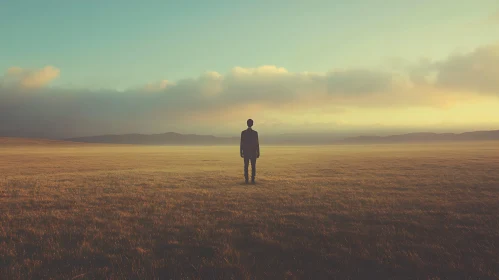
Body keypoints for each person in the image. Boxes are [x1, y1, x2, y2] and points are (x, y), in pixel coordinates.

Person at [240, 119, 260, 184]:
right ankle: (253, 179)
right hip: (253, 152)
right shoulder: (255, 133)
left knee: (246, 166)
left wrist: (241, 151)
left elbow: (241, 143)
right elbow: (257, 143)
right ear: (252, 124)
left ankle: (246, 180)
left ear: (247, 124)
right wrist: (258, 152)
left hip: (246, 152)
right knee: (253, 166)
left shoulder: (243, 133)